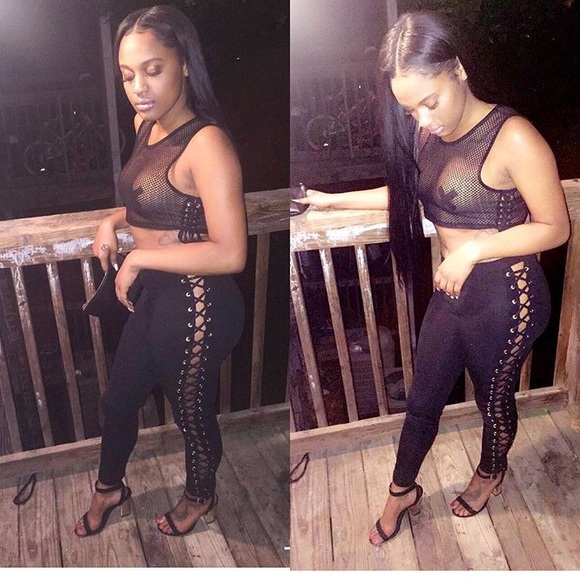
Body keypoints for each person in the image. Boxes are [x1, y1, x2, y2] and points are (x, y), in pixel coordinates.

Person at [295, 11, 570, 546]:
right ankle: (401, 491)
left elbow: (555, 227)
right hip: (454, 293)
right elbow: (409, 194)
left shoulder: (512, 136)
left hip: (508, 297)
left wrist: (474, 252)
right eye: (410, 109)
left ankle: (489, 473)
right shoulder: (427, 135)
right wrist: (331, 201)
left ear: (458, 70)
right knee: (422, 398)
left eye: (430, 101)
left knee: (493, 397)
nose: (423, 119)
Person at [74, 5, 246, 537]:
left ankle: (199, 496)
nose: (138, 88)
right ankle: (109, 486)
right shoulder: (144, 125)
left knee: (191, 413)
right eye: (128, 75)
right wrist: (112, 220)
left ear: (185, 64)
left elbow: (231, 252)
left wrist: (140, 257)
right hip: (155, 295)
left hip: (199, 301)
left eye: (153, 70)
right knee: (117, 401)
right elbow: (150, 202)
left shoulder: (207, 143)